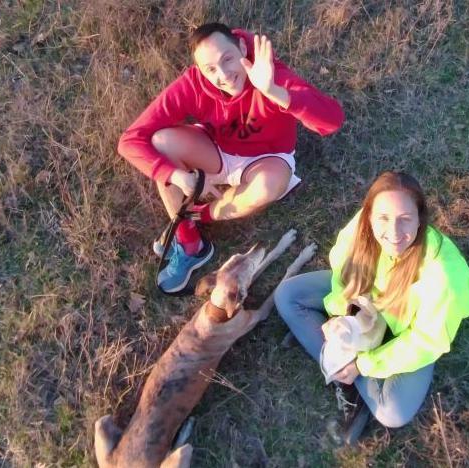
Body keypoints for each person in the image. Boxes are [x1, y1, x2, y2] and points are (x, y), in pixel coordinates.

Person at [118, 23, 344, 294]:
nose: (223, 75)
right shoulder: (193, 84)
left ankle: (198, 216)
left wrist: (273, 90)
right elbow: (130, 141)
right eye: (210, 69)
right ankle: (190, 243)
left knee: (267, 186)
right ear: (200, 71)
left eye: (227, 59)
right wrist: (177, 176)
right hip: (216, 151)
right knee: (160, 142)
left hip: (267, 158)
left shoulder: (270, 73)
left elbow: (332, 120)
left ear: (242, 48)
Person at [274, 171, 469, 445]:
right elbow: (342, 273)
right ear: (369, 215)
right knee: (288, 295)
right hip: (366, 307)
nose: (393, 233)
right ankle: (344, 372)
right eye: (383, 218)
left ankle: (344, 377)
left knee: (392, 413)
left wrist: (363, 364)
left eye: (405, 219)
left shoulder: (443, 275)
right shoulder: (361, 228)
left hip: (407, 331)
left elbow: (426, 341)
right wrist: (340, 314)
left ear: (420, 219)